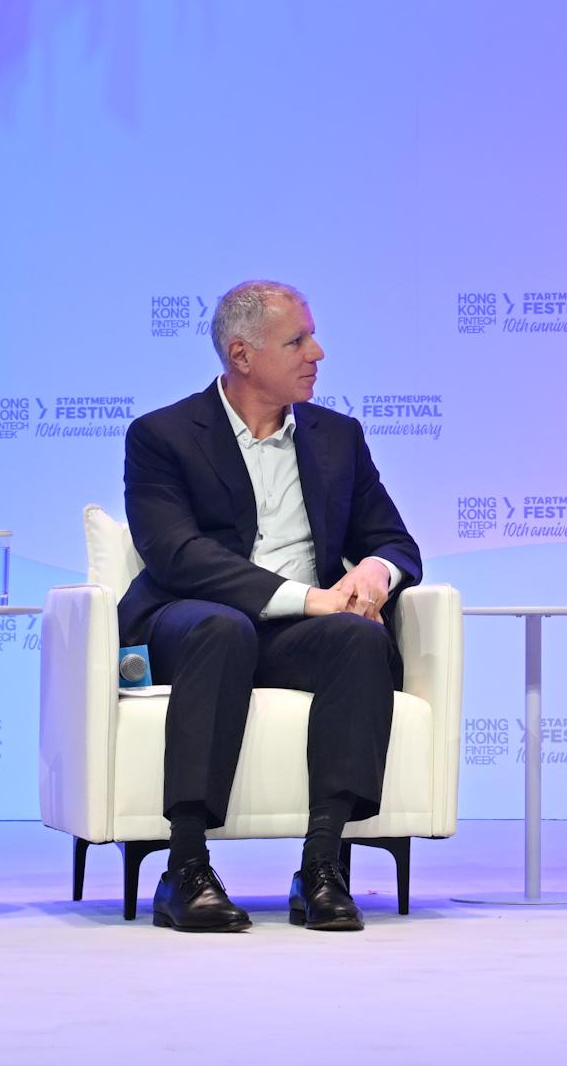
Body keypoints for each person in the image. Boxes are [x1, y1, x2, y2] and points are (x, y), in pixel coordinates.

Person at [118, 279, 421, 933]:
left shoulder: (338, 437)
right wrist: (311, 598)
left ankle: (321, 868)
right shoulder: (162, 435)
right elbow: (176, 554)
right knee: (223, 629)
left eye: (312, 336)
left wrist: (373, 573)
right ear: (242, 354)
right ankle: (185, 869)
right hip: (189, 620)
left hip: (292, 634)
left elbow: (394, 541)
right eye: (297, 341)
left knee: (360, 638)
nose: (318, 352)